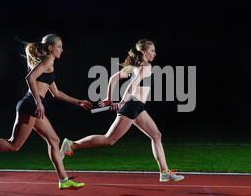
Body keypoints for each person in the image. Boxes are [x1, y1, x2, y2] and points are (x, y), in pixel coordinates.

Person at [0, 34, 92, 189]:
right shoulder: (48, 60)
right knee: (14, 145)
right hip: (30, 105)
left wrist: (78, 102)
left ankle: (63, 180)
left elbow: (56, 93)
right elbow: (30, 78)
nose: (62, 50)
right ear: (50, 48)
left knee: (54, 140)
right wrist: (38, 102)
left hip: (33, 106)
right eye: (59, 46)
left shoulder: (50, 64)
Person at [60, 39, 184, 182]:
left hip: (137, 106)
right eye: (152, 50)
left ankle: (164, 172)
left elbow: (113, 78)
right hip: (132, 105)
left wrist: (108, 98)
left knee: (156, 135)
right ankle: (71, 144)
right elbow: (131, 86)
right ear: (144, 52)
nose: (154, 53)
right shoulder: (145, 66)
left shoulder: (135, 66)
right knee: (109, 139)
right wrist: (123, 101)